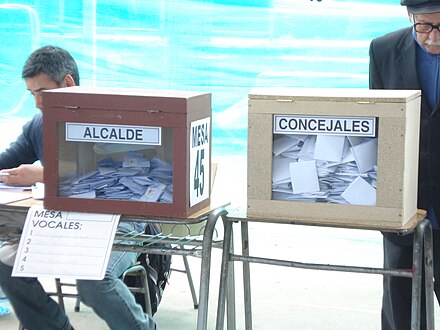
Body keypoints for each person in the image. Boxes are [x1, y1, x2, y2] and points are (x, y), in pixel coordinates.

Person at [0, 45, 157, 330]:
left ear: (68, 83)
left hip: (119, 221)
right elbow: (5, 164)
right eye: (32, 94)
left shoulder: (113, 120)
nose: (36, 103)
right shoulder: (39, 125)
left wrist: (43, 174)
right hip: (64, 222)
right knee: (6, 263)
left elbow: (124, 175)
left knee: (94, 279)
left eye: (43, 93)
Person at [369, 0, 440, 329]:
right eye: (424, 27)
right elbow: (379, 128)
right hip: (406, 206)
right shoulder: (383, 50)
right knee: (403, 307)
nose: (433, 38)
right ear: (409, 17)